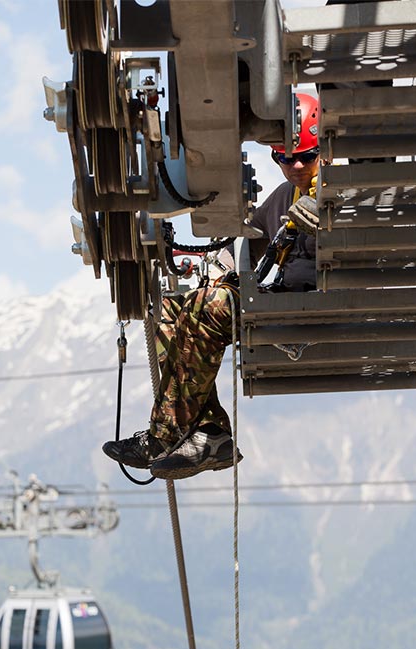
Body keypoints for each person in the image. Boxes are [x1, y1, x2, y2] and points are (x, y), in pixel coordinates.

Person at [103, 93, 320, 481]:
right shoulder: (288, 196)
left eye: (307, 156)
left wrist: (331, 214)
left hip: (320, 307)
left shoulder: (350, 192)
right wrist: (219, 265)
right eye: (285, 158)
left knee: (217, 304)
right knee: (169, 309)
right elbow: (249, 243)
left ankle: (164, 435)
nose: (297, 166)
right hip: (286, 302)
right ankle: (209, 432)